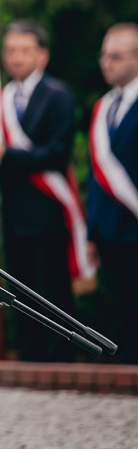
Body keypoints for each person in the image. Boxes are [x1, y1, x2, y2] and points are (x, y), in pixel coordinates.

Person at [0, 19, 86, 362]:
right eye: (11, 50)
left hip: (49, 207)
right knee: (19, 285)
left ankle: (61, 355)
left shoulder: (58, 95)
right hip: (14, 210)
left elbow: (57, 152)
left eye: (24, 50)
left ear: (42, 55)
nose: (16, 57)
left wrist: (7, 157)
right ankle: (30, 353)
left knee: (53, 286)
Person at [87, 22, 138, 364]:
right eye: (104, 56)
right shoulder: (103, 106)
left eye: (116, 57)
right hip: (109, 229)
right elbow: (96, 176)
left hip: (134, 222)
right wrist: (91, 232)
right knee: (120, 306)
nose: (107, 63)